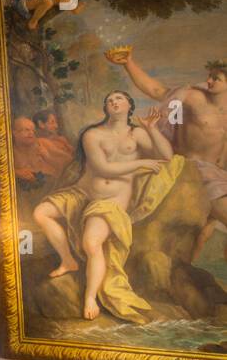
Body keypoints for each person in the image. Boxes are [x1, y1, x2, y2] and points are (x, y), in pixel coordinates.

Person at [33, 91, 181, 322]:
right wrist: (141, 162)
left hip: (109, 202)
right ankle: (67, 260)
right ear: (105, 108)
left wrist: (151, 128)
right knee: (41, 213)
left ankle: (90, 297)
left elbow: (167, 155)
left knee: (92, 243)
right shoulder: (93, 134)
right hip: (82, 193)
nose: (113, 102)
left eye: (119, 99)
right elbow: (102, 168)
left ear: (129, 106)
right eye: (109, 100)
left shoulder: (137, 134)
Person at [107, 48, 227, 260]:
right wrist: (129, 63)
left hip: (220, 174)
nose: (208, 81)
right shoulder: (192, 97)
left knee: (199, 242)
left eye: (215, 78)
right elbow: (157, 90)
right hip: (197, 171)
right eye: (209, 76)